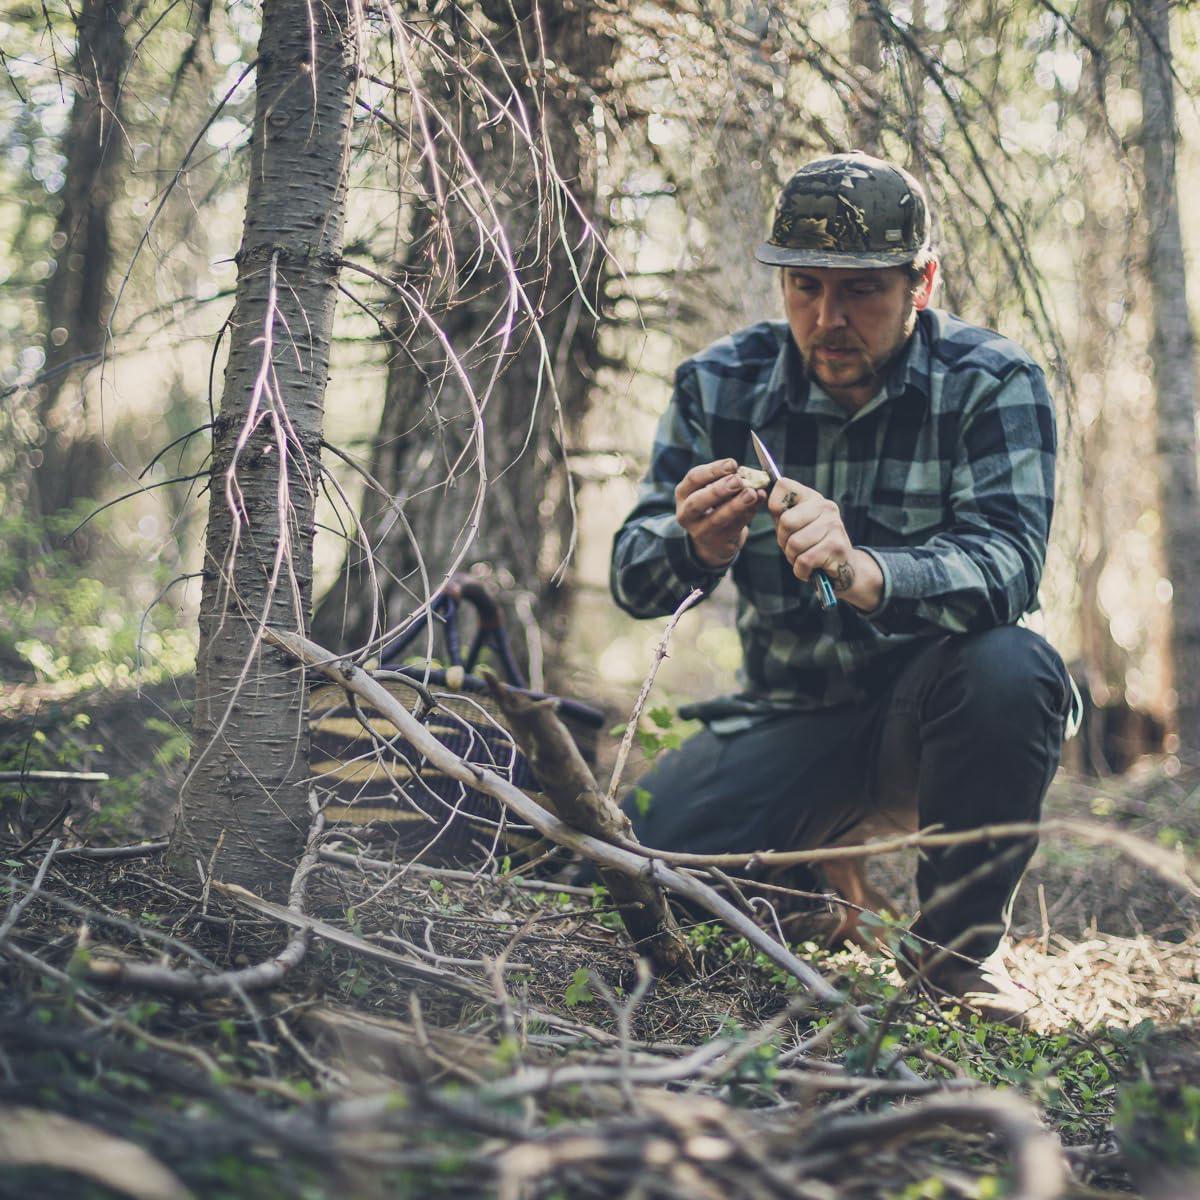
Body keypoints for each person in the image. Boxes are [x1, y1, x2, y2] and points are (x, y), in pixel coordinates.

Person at [610, 151, 1073, 1019]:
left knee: (1015, 668)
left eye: (860, 290)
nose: (828, 317)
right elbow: (633, 575)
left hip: (933, 722)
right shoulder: (720, 383)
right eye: (805, 286)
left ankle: (954, 962)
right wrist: (694, 544)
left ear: (920, 282)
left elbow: (1008, 563)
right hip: (787, 714)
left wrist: (866, 571)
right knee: (640, 868)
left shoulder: (993, 381)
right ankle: (814, 889)